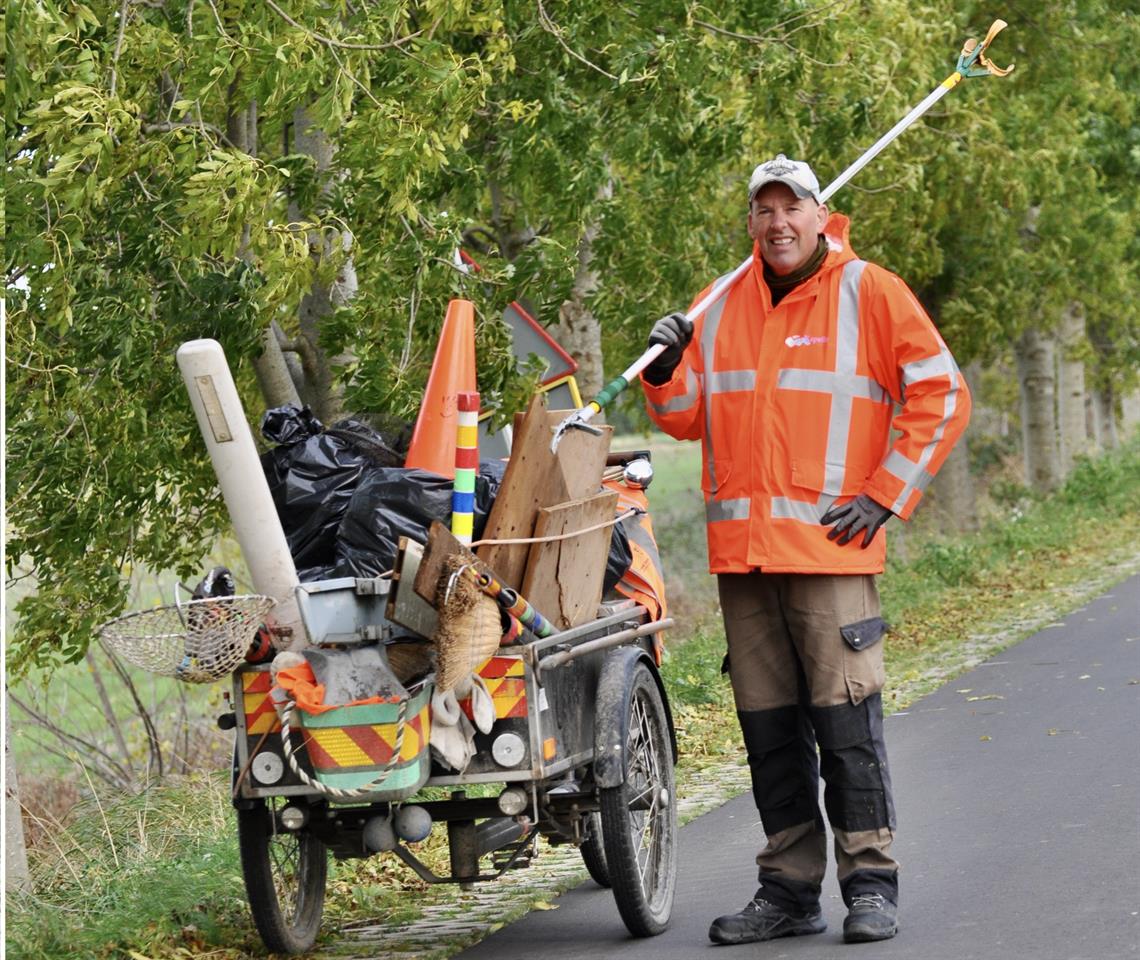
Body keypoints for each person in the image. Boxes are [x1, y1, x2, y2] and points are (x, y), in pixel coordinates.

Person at [641, 154, 971, 945]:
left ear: (823, 216)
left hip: (830, 551)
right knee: (770, 732)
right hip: (744, 560)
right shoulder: (718, 301)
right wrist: (663, 368)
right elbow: (686, 418)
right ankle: (788, 890)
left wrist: (887, 493)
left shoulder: (872, 291)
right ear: (750, 222)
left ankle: (871, 883)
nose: (779, 222)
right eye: (765, 210)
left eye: (794, 208)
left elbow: (943, 393)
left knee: (845, 723)